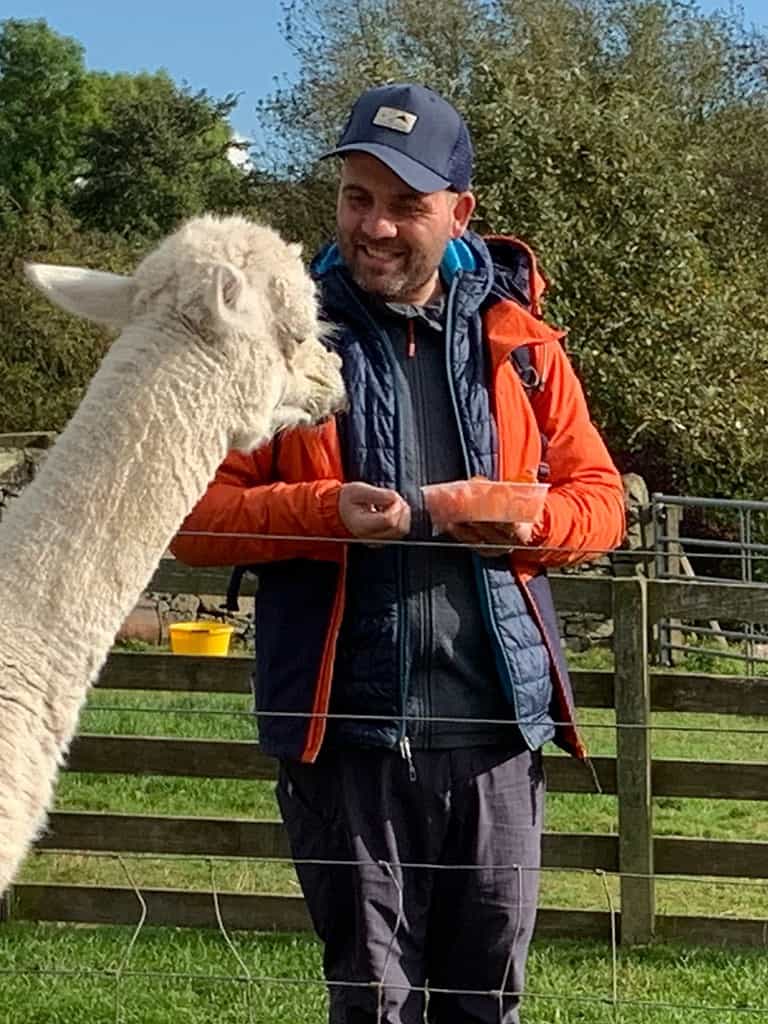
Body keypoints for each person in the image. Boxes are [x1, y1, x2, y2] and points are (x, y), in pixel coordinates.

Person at [171, 82, 625, 1024]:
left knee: (482, 1001)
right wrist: (323, 510)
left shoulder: (525, 345)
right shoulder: (280, 340)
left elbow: (602, 504)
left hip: (494, 738)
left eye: (405, 206)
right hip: (344, 737)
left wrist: (531, 522)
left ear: (459, 211)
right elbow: (195, 519)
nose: (375, 227)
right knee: (374, 1002)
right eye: (357, 198)